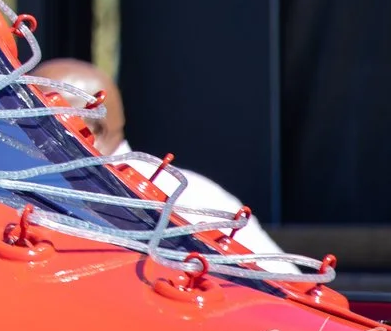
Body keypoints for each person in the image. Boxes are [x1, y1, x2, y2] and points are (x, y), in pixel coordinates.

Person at [36, 57, 290, 265]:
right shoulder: (42, 188)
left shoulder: (184, 196)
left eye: (41, 121)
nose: (22, 131)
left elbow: (283, 291)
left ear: (94, 129)